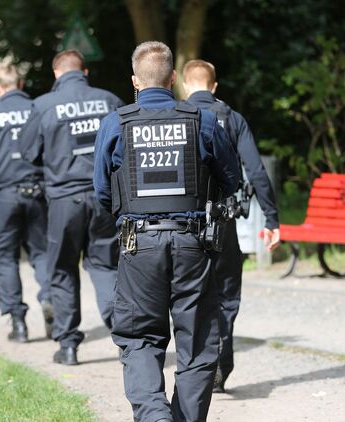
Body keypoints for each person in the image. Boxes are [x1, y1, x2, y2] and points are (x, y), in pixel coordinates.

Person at [93, 41, 240, 422]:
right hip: (193, 243)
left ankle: (155, 416)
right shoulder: (201, 120)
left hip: (139, 244)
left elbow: (103, 192)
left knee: (140, 336)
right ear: (173, 77)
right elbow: (231, 179)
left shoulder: (116, 123)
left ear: (134, 81)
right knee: (198, 341)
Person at [18, 49, 124, 366]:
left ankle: (67, 346)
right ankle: (124, 336)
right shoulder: (108, 100)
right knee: (106, 266)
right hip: (103, 198)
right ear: (85, 72)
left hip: (64, 200)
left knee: (63, 269)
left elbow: (27, 152)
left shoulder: (42, 105)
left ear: (56, 74)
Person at [182, 59, 281, 393]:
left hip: (183, 223)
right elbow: (256, 172)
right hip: (222, 222)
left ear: (185, 85)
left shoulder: (177, 117)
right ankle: (220, 364)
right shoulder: (232, 118)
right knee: (225, 294)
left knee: (188, 294)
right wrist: (271, 220)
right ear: (214, 86)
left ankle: (196, 365)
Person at [0, 62, 50, 343]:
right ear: (21, 84)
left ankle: (18, 322)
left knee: (4, 257)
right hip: (38, 192)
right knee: (42, 252)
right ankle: (50, 299)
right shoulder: (38, 110)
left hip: (5, 195)